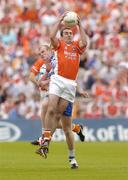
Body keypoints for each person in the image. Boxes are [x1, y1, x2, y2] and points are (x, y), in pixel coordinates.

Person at [37, 13, 89, 169]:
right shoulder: (58, 44)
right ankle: (45, 140)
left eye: (70, 33)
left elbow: (85, 41)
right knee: (51, 107)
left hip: (70, 85)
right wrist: (59, 21)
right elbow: (51, 35)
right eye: (66, 33)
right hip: (58, 80)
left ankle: (71, 157)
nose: (68, 35)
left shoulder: (77, 47)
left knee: (62, 121)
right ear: (62, 35)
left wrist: (80, 25)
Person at [29, 45, 86, 147]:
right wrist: (39, 83)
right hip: (45, 92)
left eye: (43, 52)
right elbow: (31, 77)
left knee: (45, 107)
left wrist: (45, 82)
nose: (42, 54)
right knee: (57, 122)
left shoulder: (57, 60)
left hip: (56, 91)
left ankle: (43, 138)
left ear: (50, 51)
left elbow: (61, 77)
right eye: (40, 53)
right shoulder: (40, 62)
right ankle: (77, 128)